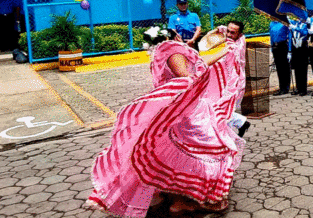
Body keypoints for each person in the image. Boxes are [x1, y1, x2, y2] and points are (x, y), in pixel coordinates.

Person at [89, 21, 247, 217]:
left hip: (178, 111)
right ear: (170, 38)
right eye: (176, 34)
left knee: (172, 155)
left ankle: (169, 198)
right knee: (205, 152)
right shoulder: (173, 51)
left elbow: (197, 60)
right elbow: (188, 77)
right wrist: (223, 54)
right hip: (186, 113)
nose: (179, 36)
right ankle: (182, 202)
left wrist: (222, 50)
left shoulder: (164, 53)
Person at [288, 16, 310, 96]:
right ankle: (298, 88)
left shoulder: (305, 24)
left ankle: (303, 89)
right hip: (295, 46)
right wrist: (289, 51)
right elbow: (290, 37)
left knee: (303, 68)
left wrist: (295, 28)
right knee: (297, 68)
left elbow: (305, 33)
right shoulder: (294, 24)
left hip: (302, 47)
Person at [269, 20, 291, 95]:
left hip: (283, 46)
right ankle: (281, 87)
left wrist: (290, 50)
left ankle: (286, 87)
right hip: (275, 46)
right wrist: (272, 48)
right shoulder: (271, 23)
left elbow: (290, 36)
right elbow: (271, 36)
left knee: (285, 68)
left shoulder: (284, 23)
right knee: (279, 68)